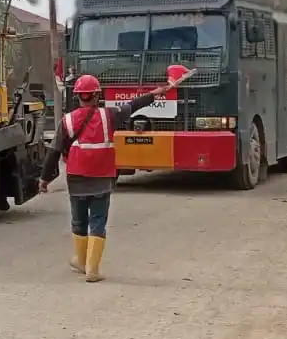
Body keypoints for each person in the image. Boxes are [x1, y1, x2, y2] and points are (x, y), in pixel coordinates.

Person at [37, 68, 191, 284]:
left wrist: (44, 179)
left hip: (76, 178)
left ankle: (81, 261)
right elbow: (134, 105)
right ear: (97, 95)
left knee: (78, 219)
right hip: (102, 178)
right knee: (98, 221)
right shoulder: (110, 115)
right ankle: (92, 268)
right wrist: (156, 92)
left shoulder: (68, 121)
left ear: (78, 96)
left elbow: (54, 151)